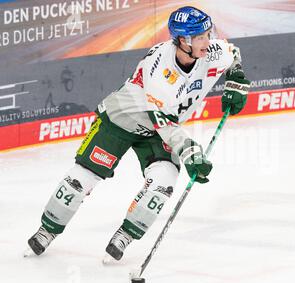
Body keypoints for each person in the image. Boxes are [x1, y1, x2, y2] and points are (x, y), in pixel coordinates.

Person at [26, 6, 250, 261]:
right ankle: (47, 229)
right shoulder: (160, 71)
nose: (206, 42)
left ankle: (125, 235)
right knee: (81, 178)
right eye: (199, 37)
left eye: (207, 34)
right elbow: (162, 120)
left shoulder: (210, 50)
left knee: (164, 182)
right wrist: (190, 151)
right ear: (182, 41)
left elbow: (232, 53)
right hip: (123, 119)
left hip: (160, 129)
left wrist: (236, 78)